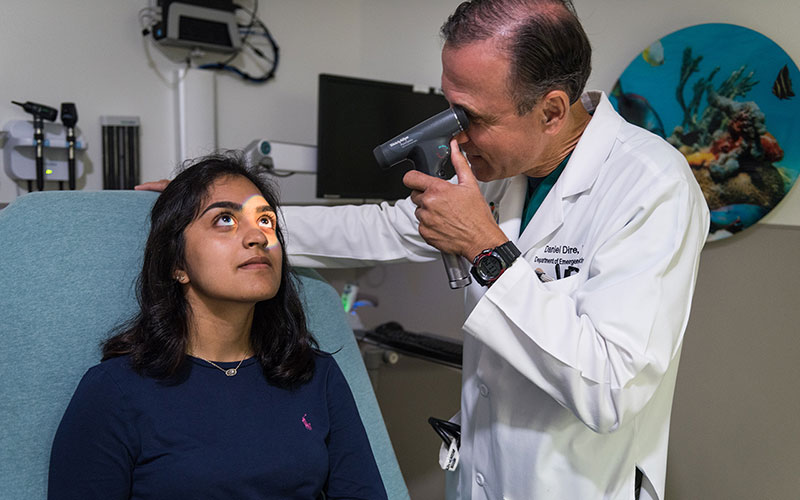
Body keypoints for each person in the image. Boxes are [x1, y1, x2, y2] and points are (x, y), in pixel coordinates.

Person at [279, 1, 709, 499]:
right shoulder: (500, 170)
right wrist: (250, 218)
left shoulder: (651, 185)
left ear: (551, 111)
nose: (454, 134)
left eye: (473, 116)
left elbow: (609, 390)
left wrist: (485, 246)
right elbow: (381, 228)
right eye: (450, 106)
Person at [49, 154, 387, 500]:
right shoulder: (113, 393)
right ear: (177, 264)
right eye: (225, 219)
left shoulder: (315, 375)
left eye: (267, 221)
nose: (257, 236)